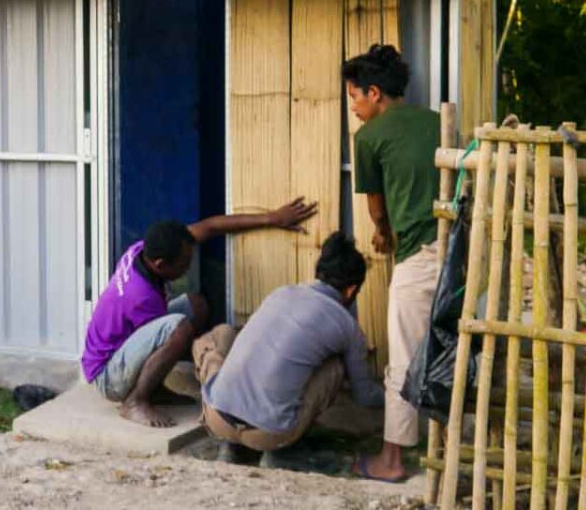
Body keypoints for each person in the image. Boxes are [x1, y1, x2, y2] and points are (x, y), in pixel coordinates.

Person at [81, 200, 318, 428]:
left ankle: (154, 389)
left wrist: (272, 218)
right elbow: (164, 344)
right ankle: (135, 401)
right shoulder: (141, 297)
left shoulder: (143, 250)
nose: (188, 265)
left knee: (196, 304)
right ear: (161, 264)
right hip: (108, 375)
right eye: (183, 263)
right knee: (179, 329)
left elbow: (210, 227)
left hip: (124, 346)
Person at [193, 232, 384, 467]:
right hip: (269, 433)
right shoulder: (347, 327)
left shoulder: (281, 293)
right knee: (335, 366)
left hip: (216, 418)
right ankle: (282, 453)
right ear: (351, 290)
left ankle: (231, 446)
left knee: (220, 336)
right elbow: (364, 395)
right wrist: (393, 394)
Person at [342, 44, 441, 483]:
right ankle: (448, 446)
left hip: (418, 256)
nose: (355, 109)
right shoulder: (438, 123)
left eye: (355, 99)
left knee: (402, 357)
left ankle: (392, 461)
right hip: (459, 254)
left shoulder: (368, 139)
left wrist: (382, 230)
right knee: (448, 351)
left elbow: (377, 207)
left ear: (375, 93)